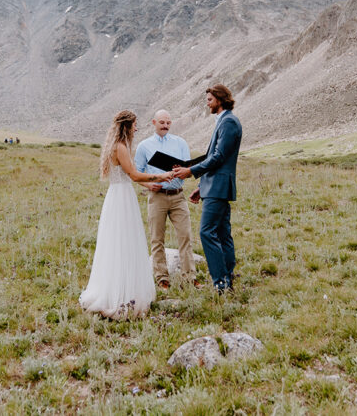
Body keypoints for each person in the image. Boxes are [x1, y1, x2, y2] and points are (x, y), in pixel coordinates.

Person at [79, 110, 173, 319]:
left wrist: (148, 184)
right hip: (122, 199)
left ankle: (121, 289)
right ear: (127, 126)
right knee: (124, 242)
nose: (137, 128)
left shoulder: (117, 146)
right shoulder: (121, 147)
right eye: (135, 124)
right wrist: (161, 175)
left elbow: (130, 175)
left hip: (118, 195)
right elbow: (133, 173)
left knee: (118, 243)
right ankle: (121, 295)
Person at [172, 84, 242, 293]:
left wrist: (190, 171)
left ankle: (220, 282)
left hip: (219, 188)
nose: (207, 103)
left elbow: (219, 157)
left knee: (206, 232)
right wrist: (202, 186)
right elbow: (216, 158)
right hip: (215, 187)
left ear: (220, 99)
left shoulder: (229, 121)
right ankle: (227, 279)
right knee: (222, 233)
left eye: (210, 100)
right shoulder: (224, 121)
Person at [134, 109, 196, 289]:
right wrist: (148, 185)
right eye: (162, 122)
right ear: (154, 123)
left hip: (178, 196)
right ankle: (162, 278)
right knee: (156, 238)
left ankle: (190, 277)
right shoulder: (144, 146)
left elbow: (188, 170)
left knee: (185, 236)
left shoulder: (181, 143)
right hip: (157, 197)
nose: (166, 126)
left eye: (168, 122)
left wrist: (182, 171)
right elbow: (137, 174)